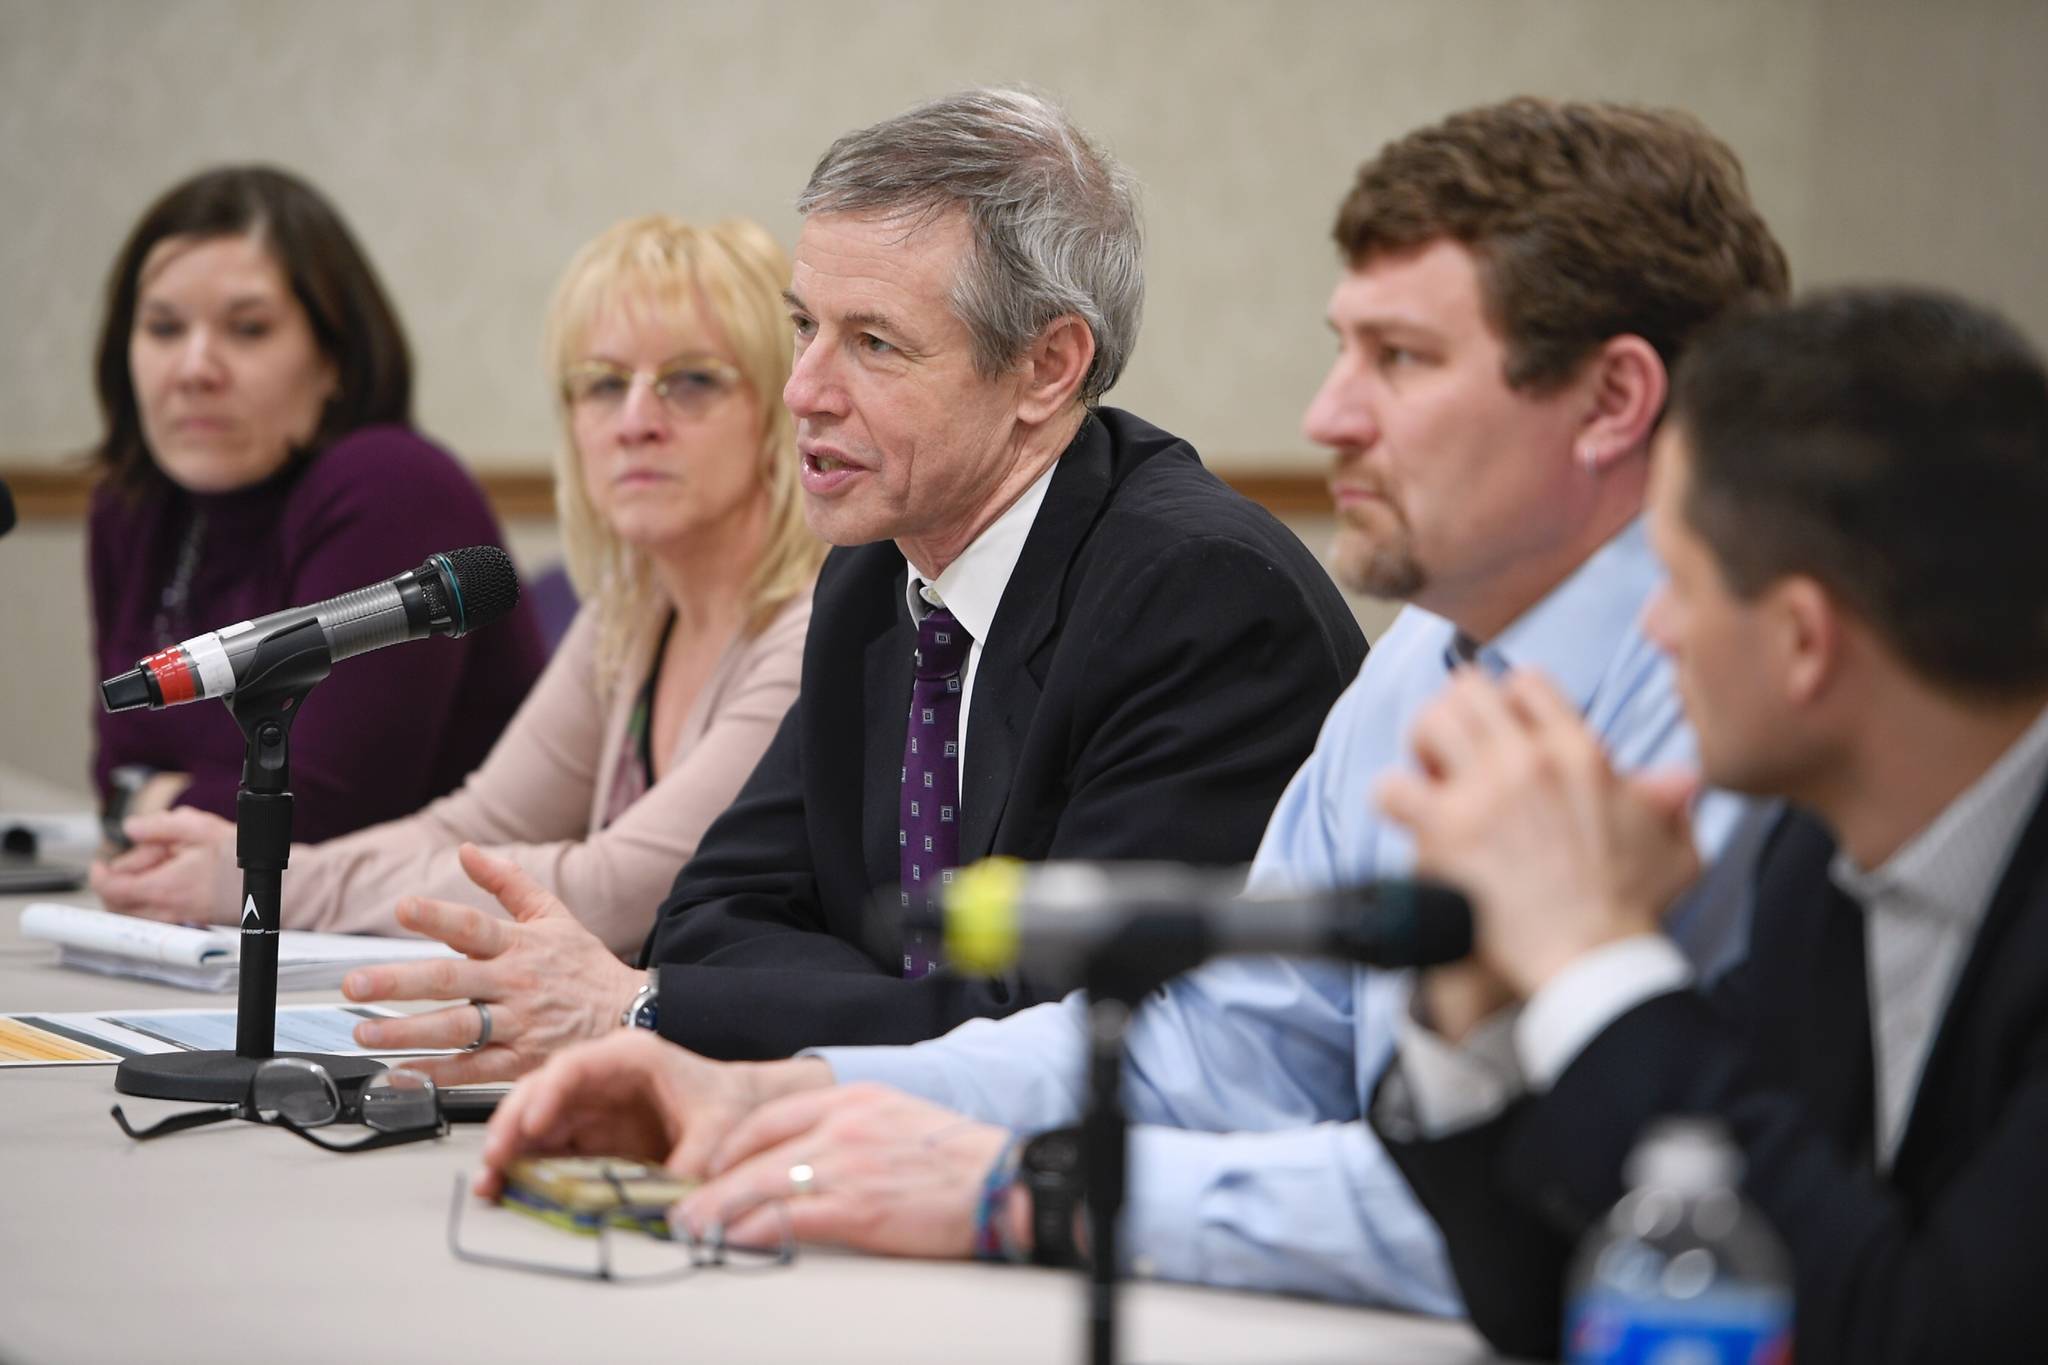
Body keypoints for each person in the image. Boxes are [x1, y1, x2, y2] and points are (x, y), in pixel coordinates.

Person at [472, 98, 1788, 1309]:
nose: (1326, 418)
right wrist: (775, 1090)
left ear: (1614, 400)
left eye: (1400, 359)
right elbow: (1225, 1050)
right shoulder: (1426, 657)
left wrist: (1023, 1188)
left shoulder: (1746, 708)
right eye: (1346, 352)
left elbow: (1599, 1203)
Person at [340, 87, 1367, 1077]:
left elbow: (1063, 1033)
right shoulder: (876, 575)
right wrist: (877, 1000)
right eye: (803, 329)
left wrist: (647, 1009)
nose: (803, 392)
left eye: (872, 343)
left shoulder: (1196, 601)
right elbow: (709, 918)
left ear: (1046, 368)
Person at [1369, 288, 2048, 1363]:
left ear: (1799, 643)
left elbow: (1922, 1332)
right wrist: (1481, 997)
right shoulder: (1812, 862)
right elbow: (1574, 1296)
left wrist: (1586, 954)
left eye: (1675, 580)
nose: (1654, 625)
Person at [90, 216, 822, 957]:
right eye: (602, 383)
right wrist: (259, 870)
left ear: (778, 407)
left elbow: (615, 890)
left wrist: (260, 884)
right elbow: (473, 825)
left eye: (691, 380)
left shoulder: (814, 630)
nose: (635, 421)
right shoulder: (631, 614)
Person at [86, 165, 545, 843]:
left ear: (334, 358)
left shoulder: (391, 484)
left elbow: (317, 809)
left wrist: (150, 804)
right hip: (214, 924)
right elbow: (114, 769)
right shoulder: (135, 505)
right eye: (162, 328)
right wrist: (145, 803)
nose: (194, 369)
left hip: (418, 926)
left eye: (247, 330)